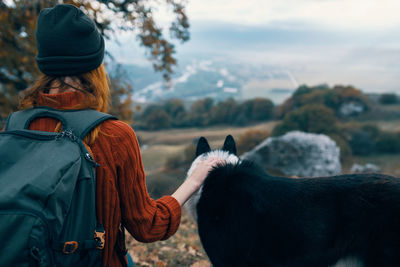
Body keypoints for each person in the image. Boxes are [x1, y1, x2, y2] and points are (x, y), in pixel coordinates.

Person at [17, 4, 221, 267]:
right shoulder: (113, 135)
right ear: (94, 65)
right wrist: (194, 181)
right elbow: (148, 227)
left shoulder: (15, 127)